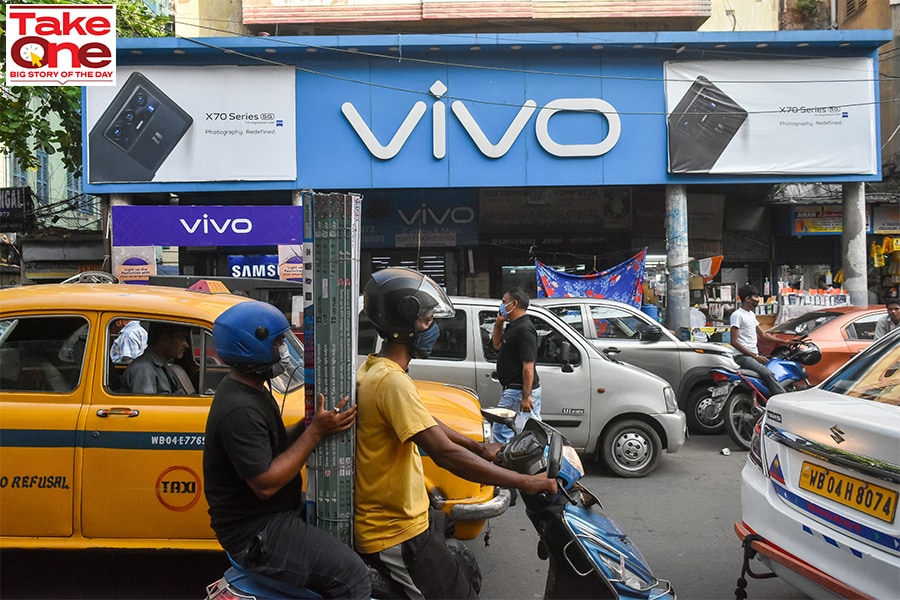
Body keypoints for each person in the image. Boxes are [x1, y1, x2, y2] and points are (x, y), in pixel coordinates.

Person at [356, 268, 557, 599]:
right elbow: (443, 453)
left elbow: (428, 423)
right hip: (393, 532)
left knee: (446, 526)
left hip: (410, 515)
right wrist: (525, 482)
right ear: (404, 326)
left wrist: (480, 448)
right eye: (428, 320)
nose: (433, 328)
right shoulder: (390, 382)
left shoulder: (379, 369)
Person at [204, 300, 370, 599]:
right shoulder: (238, 409)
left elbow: (274, 442)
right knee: (353, 578)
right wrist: (316, 432)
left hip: (277, 515)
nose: (283, 350)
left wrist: (309, 425)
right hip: (256, 531)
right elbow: (266, 483)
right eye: (279, 342)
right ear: (251, 346)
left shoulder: (252, 390)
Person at [491, 287, 542, 444]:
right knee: (528, 433)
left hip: (517, 391)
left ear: (514, 304)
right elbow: (497, 344)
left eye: (504, 302)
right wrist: (499, 324)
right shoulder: (513, 326)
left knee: (501, 432)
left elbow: (528, 365)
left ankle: (503, 466)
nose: (501, 305)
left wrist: (526, 396)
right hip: (514, 390)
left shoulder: (524, 329)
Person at [730, 284, 787, 395]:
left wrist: (785, 342)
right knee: (768, 373)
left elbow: (763, 335)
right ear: (747, 299)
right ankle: (783, 400)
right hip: (742, 357)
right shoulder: (737, 315)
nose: (758, 300)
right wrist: (755, 356)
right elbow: (734, 341)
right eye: (756, 297)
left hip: (753, 355)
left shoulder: (751, 314)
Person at [121, 321, 191, 394]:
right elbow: (147, 403)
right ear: (165, 339)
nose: (186, 345)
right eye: (181, 339)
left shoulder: (163, 366)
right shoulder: (143, 368)